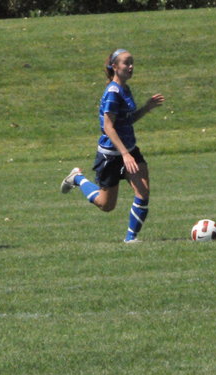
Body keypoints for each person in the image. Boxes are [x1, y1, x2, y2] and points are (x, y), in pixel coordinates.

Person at [60, 48, 165, 243]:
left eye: (132, 62)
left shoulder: (125, 89)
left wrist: (146, 108)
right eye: (126, 63)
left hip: (129, 151)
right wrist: (124, 154)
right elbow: (108, 127)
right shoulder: (113, 93)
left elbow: (126, 121)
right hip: (111, 155)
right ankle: (78, 178)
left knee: (143, 192)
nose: (131, 66)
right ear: (115, 67)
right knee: (106, 205)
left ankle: (130, 239)